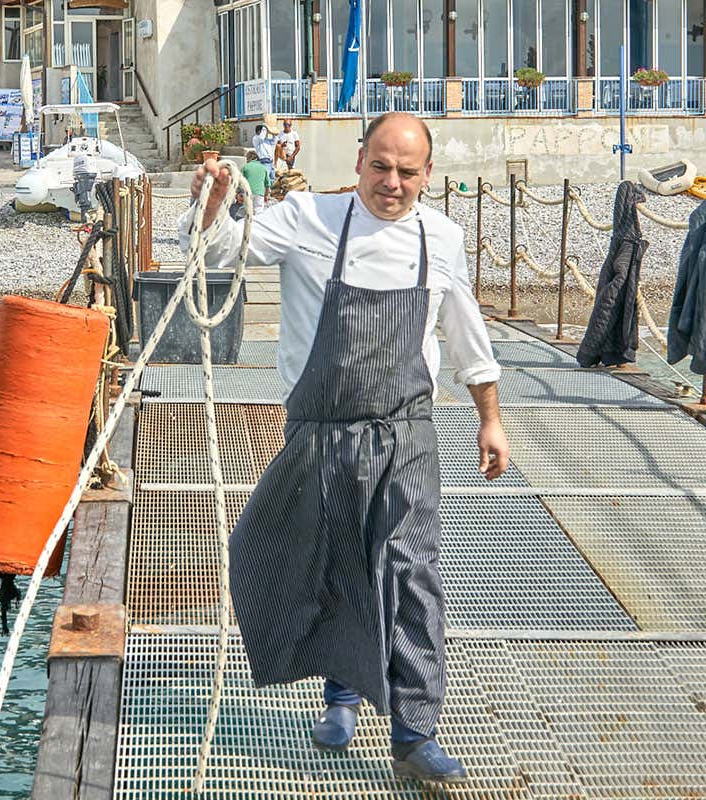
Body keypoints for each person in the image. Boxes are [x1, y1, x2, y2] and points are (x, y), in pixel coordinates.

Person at [178, 112, 509, 785]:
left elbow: (466, 331)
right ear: (359, 161)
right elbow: (217, 253)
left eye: (407, 172)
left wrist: (490, 419)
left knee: (411, 572)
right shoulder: (306, 218)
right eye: (380, 166)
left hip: (406, 432)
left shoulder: (442, 238)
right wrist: (212, 202)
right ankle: (341, 694)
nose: (392, 182)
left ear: (428, 174)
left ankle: (415, 733)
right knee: (327, 560)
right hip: (319, 431)